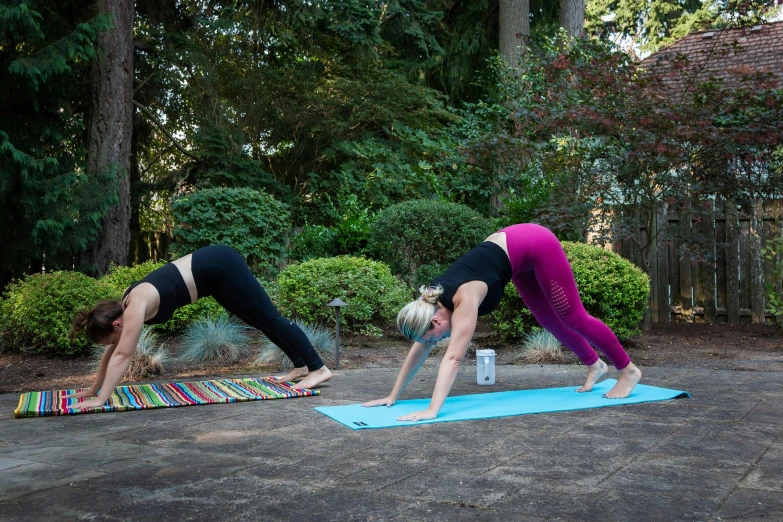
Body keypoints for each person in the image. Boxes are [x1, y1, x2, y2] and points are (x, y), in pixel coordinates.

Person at [363, 223, 642, 421]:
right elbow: (419, 347)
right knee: (547, 319)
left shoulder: (464, 299)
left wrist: (432, 410)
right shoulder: (430, 303)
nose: (435, 343)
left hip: (535, 243)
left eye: (433, 338)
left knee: (572, 316)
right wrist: (393, 395)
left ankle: (628, 371)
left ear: (436, 321)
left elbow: (453, 359)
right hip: (515, 258)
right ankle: (595, 364)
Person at [68, 244, 331, 410]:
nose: (113, 344)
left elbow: (122, 354)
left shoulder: (135, 305)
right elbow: (113, 353)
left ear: (116, 324)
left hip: (220, 265)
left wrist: (102, 399)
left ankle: (318, 367)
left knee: (269, 317)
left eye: (110, 339)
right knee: (258, 321)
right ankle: (301, 365)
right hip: (213, 280)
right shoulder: (125, 307)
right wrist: (94, 389)